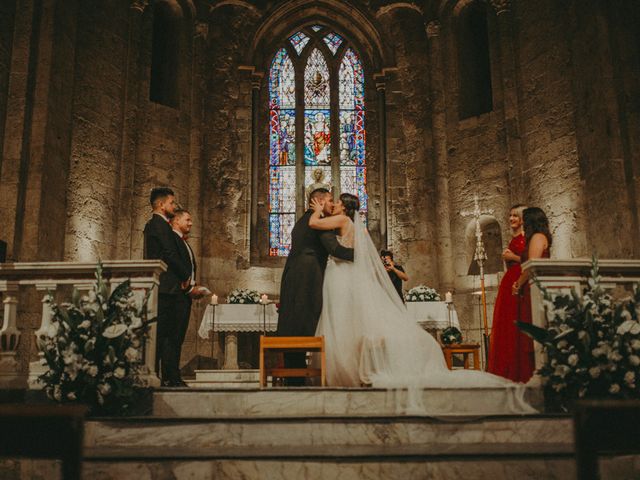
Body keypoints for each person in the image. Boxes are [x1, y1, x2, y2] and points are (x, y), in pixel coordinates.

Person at [308, 194, 535, 414]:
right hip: (349, 275)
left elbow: (314, 224)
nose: (335, 205)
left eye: (338, 202)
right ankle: (356, 370)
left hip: (343, 275)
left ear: (346, 208)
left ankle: (351, 371)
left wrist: (317, 210)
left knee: (347, 323)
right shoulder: (355, 226)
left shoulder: (342, 219)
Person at [276, 188, 354, 386]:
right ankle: (296, 379)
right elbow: (334, 249)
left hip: (294, 274)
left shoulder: (303, 220)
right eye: (329, 200)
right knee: (303, 321)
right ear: (318, 201)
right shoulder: (319, 223)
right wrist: (362, 256)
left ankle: (294, 375)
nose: (332, 204)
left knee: (294, 322)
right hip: (307, 277)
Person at [143, 187, 191, 387]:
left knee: (168, 335)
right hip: (166, 287)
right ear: (161, 205)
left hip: (168, 287)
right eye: (171, 203)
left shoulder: (160, 225)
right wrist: (186, 275)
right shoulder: (158, 225)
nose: (174, 206)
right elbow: (169, 254)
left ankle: (167, 375)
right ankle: (161, 375)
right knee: (165, 335)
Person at [487, 204, 529, 382]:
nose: (511, 219)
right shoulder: (514, 238)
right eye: (510, 215)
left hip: (520, 282)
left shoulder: (527, 237)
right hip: (509, 283)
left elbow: (531, 260)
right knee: (507, 325)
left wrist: (513, 258)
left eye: (515, 216)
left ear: (523, 219)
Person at [511, 207, 553, 382]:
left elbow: (531, 265)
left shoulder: (537, 237)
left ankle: (534, 372)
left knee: (532, 327)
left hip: (532, 288)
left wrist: (518, 283)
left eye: (525, 220)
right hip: (531, 287)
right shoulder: (541, 237)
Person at [169, 208, 209, 387]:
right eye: (188, 220)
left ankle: (173, 375)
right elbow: (174, 267)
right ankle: (171, 376)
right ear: (176, 221)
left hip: (183, 295)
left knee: (178, 337)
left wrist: (194, 287)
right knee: (173, 337)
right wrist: (189, 288)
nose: (191, 223)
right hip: (176, 295)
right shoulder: (172, 240)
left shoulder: (182, 242)